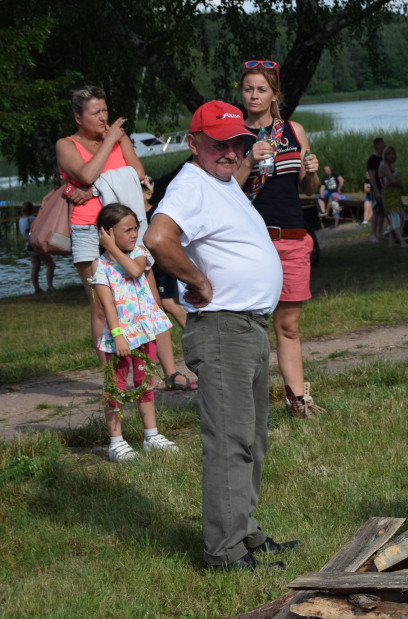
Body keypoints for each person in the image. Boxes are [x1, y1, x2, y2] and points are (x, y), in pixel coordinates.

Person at [145, 100, 298, 571]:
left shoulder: (222, 179)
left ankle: (243, 532)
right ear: (194, 144)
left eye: (238, 143)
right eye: (219, 144)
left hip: (246, 327)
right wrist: (196, 280)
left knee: (250, 437)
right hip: (224, 329)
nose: (231, 152)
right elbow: (157, 238)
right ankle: (223, 553)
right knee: (230, 441)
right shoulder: (191, 185)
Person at [234, 59, 324, 417]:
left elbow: (308, 189)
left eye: (261, 89)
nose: (253, 96)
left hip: (291, 238)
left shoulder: (293, 131)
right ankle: (244, 404)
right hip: (250, 243)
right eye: (248, 89)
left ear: (275, 94)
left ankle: (297, 399)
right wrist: (247, 162)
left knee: (288, 326)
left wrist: (312, 173)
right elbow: (221, 193)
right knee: (248, 326)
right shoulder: (233, 135)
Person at [56, 85, 146, 365]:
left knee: (138, 296)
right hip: (87, 230)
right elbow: (84, 172)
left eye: (105, 110)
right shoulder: (66, 145)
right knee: (99, 305)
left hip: (123, 228)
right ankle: (109, 377)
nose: (103, 117)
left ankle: (149, 365)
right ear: (78, 118)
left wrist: (93, 190)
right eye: (95, 112)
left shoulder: (121, 139)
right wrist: (110, 143)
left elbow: (138, 173)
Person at [90, 203, 178, 462]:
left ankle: (151, 436)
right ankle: (116, 442)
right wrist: (118, 335)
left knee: (145, 384)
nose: (133, 234)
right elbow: (106, 305)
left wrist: (114, 247)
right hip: (120, 337)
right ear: (106, 233)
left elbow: (136, 270)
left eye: (136, 228)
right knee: (115, 388)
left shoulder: (139, 252)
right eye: (127, 229)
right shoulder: (101, 266)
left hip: (145, 332)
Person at [141, 177, 197, 391]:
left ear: (148, 193)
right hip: (152, 267)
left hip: (162, 267)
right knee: (163, 306)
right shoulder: (135, 215)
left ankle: (194, 331)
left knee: (168, 304)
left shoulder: (156, 213)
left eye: (142, 189)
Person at [18, 202, 56, 294]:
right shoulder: (32, 218)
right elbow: (43, 223)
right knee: (50, 265)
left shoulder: (21, 220)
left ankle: (37, 288)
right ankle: (50, 286)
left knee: (35, 266)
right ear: (31, 209)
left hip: (28, 245)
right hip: (36, 244)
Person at [378, 146, 408, 248]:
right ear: (385, 155)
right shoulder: (384, 166)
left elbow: (397, 182)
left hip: (395, 195)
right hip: (389, 197)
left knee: (397, 217)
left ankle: (391, 242)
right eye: (389, 153)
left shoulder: (392, 166)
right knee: (394, 218)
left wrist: (398, 182)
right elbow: (393, 181)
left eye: (393, 153)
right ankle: (402, 242)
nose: (391, 156)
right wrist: (398, 182)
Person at [367, 137, 387, 242]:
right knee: (376, 212)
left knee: (382, 211)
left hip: (384, 189)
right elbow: (372, 177)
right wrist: (376, 191)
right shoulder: (372, 160)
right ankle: (374, 235)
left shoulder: (382, 159)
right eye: (383, 144)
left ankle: (380, 233)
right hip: (376, 190)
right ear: (377, 145)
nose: (385, 146)